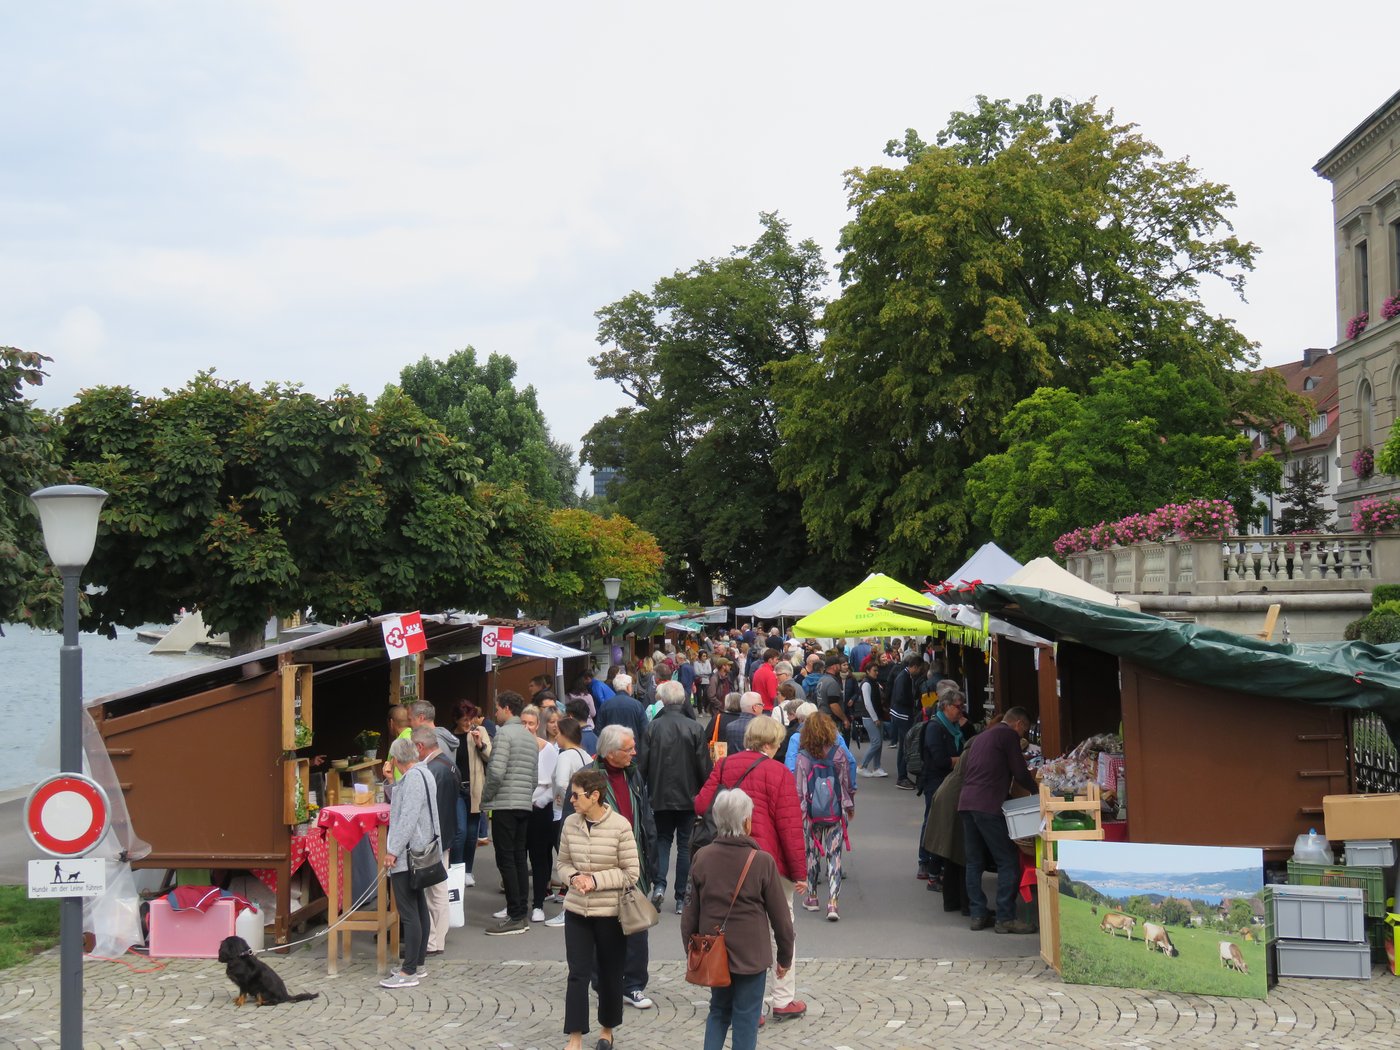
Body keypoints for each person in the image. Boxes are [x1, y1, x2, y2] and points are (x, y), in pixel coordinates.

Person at [694, 714, 807, 1023]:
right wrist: (799, 872)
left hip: (726, 857)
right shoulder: (779, 772)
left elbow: (701, 804)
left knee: (737, 927)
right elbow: (789, 827)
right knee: (781, 925)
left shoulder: (724, 765)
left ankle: (748, 1006)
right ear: (771, 743)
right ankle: (783, 998)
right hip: (766, 861)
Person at [682, 788, 795, 1050]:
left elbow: (689, 912)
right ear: (746, 822)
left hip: (714, 951)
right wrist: (785, 958)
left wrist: (692, 951)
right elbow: (781, 920)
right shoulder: (762, 861)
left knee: (718, 1011)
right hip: (751, 955)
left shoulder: (702, 857)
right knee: (746, 1018)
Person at [558, 769, 641, 1050]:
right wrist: (573, 878)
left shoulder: (620, 826)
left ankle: (607, 1030)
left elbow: (631, 872)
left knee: (609, 973)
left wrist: (595, 880)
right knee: (577, 973)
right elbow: (562, 863)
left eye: (576, 795)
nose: (571, 800)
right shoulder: (570, 823)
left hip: (610, 913)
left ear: (594, 796)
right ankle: (575, 1036)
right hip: (577, 910)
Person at [590, 725, 658, 1009]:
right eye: (628, 749)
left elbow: (645, 817)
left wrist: (652, 862)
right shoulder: (589, 778)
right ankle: (603, 982)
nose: (634, 753)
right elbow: (571, 824)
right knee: (604, 926)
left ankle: (633, 984)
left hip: (634, 862)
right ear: (610, 753)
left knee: (636, 924)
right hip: (602, 866)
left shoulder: (633, 775)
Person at [957, 706, 1038, 934]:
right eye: (1024, 731)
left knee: (974, 862)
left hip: (967, 802)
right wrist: (1036, 791)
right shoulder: (1008, 735)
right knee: (1008, 860)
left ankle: (978, 914)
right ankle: (1005, 917)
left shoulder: (983, 736)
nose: (1022, 735)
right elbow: (1020, 772)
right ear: (1019, 724)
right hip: (988, 805)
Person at [640, 679, 712, 914]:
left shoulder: (652, 727)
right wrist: (705, 794)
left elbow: (642, 765)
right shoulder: (694, 727)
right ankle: (681, 897)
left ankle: (659, 886)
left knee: (662, 840)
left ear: (663, 700)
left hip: (659, 794)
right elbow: (704, 767)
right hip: (689, 796)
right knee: (684, 846)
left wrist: (642, 790)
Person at [480, 690, 538, 935]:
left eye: (497, 708)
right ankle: (520, 911)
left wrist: (485, 798)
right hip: (524, 802)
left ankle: (515, 914)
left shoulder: (504, 734)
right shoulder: (529, 738)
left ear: (506, 708)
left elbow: (495, 772)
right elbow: (534, 778)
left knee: (506, 859)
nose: (495, 713)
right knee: (518, 858)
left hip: (505, 803)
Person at [380, 736, 435, 988]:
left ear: (395, 759)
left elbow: (408, 818)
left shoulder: (413, 778)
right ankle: (418, 964)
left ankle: (408, 970)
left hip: (409, 853)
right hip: (422, 851)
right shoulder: (424, 773)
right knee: (419, 907)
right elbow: (406, 805)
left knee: (409, 912)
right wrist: (392, 782)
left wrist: (392, 850)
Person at [793, 712, 855, 921]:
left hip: (810, 814)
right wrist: (850, 805)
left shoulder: (803, 756)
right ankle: (833, 903)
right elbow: (846, 783)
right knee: (834, 855)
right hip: (835, 811)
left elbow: (799, 790)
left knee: (811, 853)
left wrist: (799, 814)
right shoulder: (838, 753)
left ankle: (812, 897)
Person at [410, 725, 460, 955]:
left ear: (420, 746)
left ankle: (431, 942)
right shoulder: (450, 764)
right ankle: (438, 940)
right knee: (439, 890)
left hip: (431, 839)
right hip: (445, 834)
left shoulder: (430, 770)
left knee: (430, 892)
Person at [918, 688, 972, 885]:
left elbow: (971, 741)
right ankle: (927, 864)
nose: (961, 711)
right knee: (934, 822)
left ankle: (938, 866)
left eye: (962, 706)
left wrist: (966, 726)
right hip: (936, 781)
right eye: (958, 707)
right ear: (947, 706)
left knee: (944, 824)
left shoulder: (955, 727)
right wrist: (963, 759)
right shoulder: (935, 728)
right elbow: (940, 760)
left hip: (950, 782)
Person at [545, 717, 592, 928]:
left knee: (567, 859)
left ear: (564, 735)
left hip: (564, 813)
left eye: (558, 734)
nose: (556, 738)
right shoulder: (584, 754)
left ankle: (569, 909)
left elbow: (563, 783)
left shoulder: (565, 756)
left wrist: (564, 801)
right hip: (583, 811)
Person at [452, 700, 490, 887]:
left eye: (471, 719)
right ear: (456, 719)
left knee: (472, 833)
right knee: (460, 831)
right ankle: (456, 870)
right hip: (457, 790)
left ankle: (468, 871)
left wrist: (479, 744)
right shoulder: (450, 737)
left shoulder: (479, 731)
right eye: (464, 720)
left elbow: (490, 756)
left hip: (475, 788)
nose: (468, 723)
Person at [886, 653, 922, 788]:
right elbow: (901, 697)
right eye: (919, 669)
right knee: (905, 745)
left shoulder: (905, 676)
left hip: (899, 714)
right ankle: (902, 777)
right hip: (902, 715)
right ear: (914, 667)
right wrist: (913, 702)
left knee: (903, 745)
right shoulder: (904, 678)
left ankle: (902, 775)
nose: (920, 672)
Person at [595, 674, 648, 755]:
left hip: (611, 752)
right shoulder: (637, 705)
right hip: (632, 751)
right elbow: (644, 730)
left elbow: (599, 731)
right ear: (628, 687)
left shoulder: (605, 705)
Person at [856, 660, 887, 777]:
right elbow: (868, 703)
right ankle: (862, 766)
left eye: (877, 670)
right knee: (876, 742)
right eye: (874, 670)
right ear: (868, 671)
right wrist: (875, 718)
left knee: (878, 743)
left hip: (876, 716)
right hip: (870, 717)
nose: (877, 672)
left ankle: (876, 767)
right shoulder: (867, 684)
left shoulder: (873, 683)